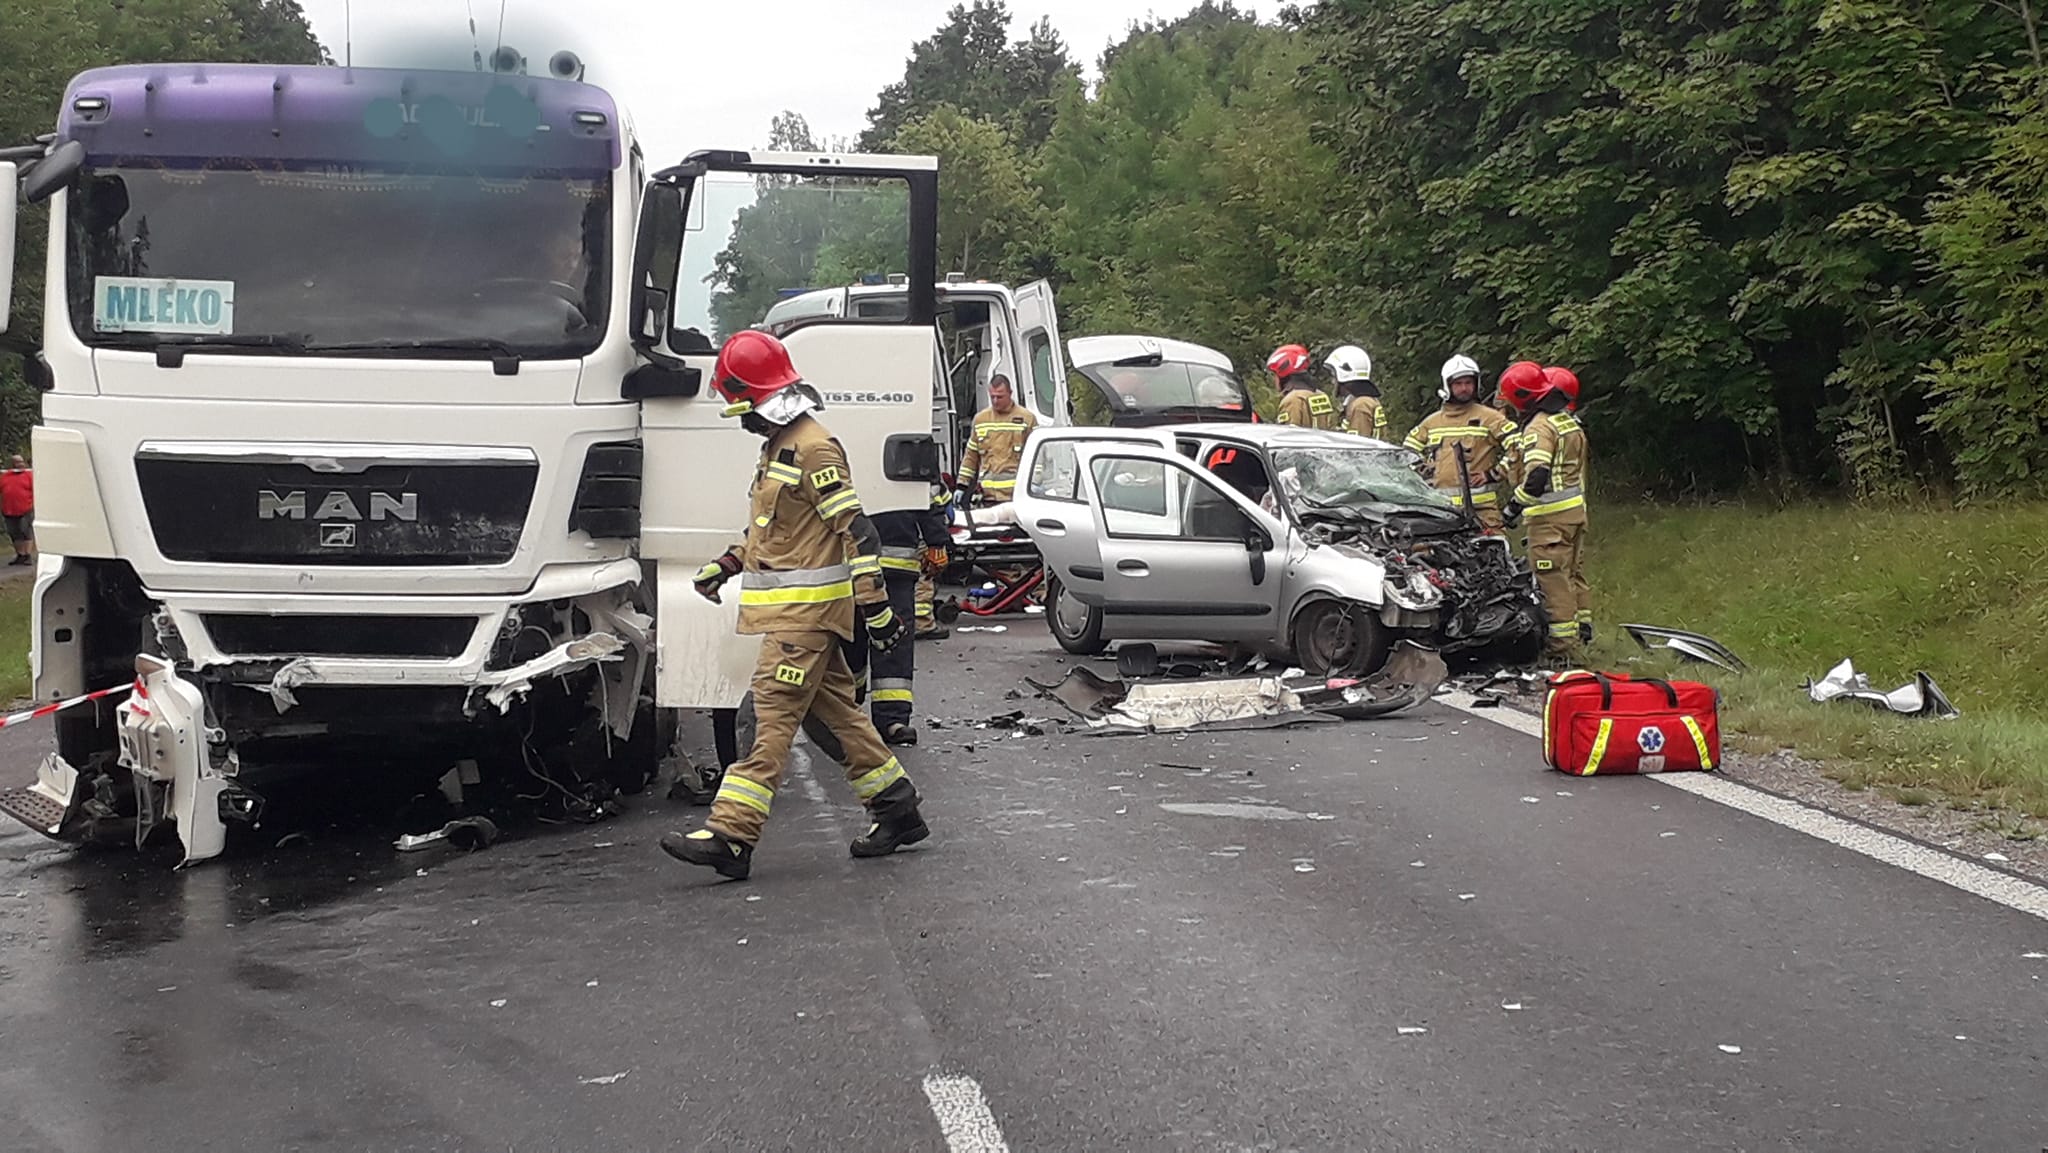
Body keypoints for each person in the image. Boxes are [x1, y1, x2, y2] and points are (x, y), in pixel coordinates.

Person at [661, 330, 929, 880]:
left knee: (765, 718)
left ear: (763, 398)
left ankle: (732, 835)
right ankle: (896, 808)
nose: (741, 421)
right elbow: (777, 533)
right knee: (837, 719)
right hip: (792, 617)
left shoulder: (813, 447)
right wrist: (729, 564)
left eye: (743, 408)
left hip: (804, 620)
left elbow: (857, 531)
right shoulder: (777, 447)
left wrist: (876, 611)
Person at [1499, 361, 1590, 659]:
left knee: (1552, 580)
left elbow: (1537, 476)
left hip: (1550, 519)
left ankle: (1562, 649)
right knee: (1573, 574)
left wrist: (1513, 507)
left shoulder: (1540, 426)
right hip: (1574, 513)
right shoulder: (1566, 420)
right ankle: (1583, 631)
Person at [868, 481, 952, 746]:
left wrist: (936, 541)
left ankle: (893, 720)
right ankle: (844, 718)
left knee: (895, 640)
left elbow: (930, 490)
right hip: (849, 562)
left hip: (895, 566)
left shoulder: (906, 443)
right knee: (849, 643)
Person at [1402, 355, 1517, 530]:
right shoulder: (1431, 423)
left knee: (1494, 553)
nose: (1464, 388)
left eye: (1468, 383)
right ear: (1448, 386)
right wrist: (1425, 473)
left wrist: (1493, 474)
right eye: (1458, 383)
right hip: (1440, 511)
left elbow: (1519, 447)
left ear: (1476, 385)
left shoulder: (1490, 418)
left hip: (1483, 512)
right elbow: (1406, 453)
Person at [956, 374, 1037, 506]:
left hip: (1016, 496)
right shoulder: (981, 420)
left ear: (1010, 393)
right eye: (992, 396)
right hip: (987, 496)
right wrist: (962, 485)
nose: (995, 401)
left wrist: (1035, 483)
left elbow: (1038, 457)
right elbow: (971, 456)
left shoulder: (1027, 419)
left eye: (999, 397)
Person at [1324, 345, 1387, 440]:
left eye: (1334, 376)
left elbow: (1358, 445)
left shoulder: (1361, 405)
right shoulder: (1362, 401)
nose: (1332, 381)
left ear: (1343, 374)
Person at [1269, 344, 1333, 429]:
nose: (1274, 379)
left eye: (1275, 374)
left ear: (1282, 374)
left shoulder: (1292, 400)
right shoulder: (1321, 396)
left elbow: (1287, 436)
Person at [1, 456, 32, 567]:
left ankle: (27, 555)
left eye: (21, 462)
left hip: (25, 509)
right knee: (14, 533)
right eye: (18, 462)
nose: (20, 464)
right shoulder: (5, 476)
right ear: (12, 463)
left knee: (25, 531)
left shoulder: (29, 475)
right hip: (8, 510)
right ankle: (20, 555)